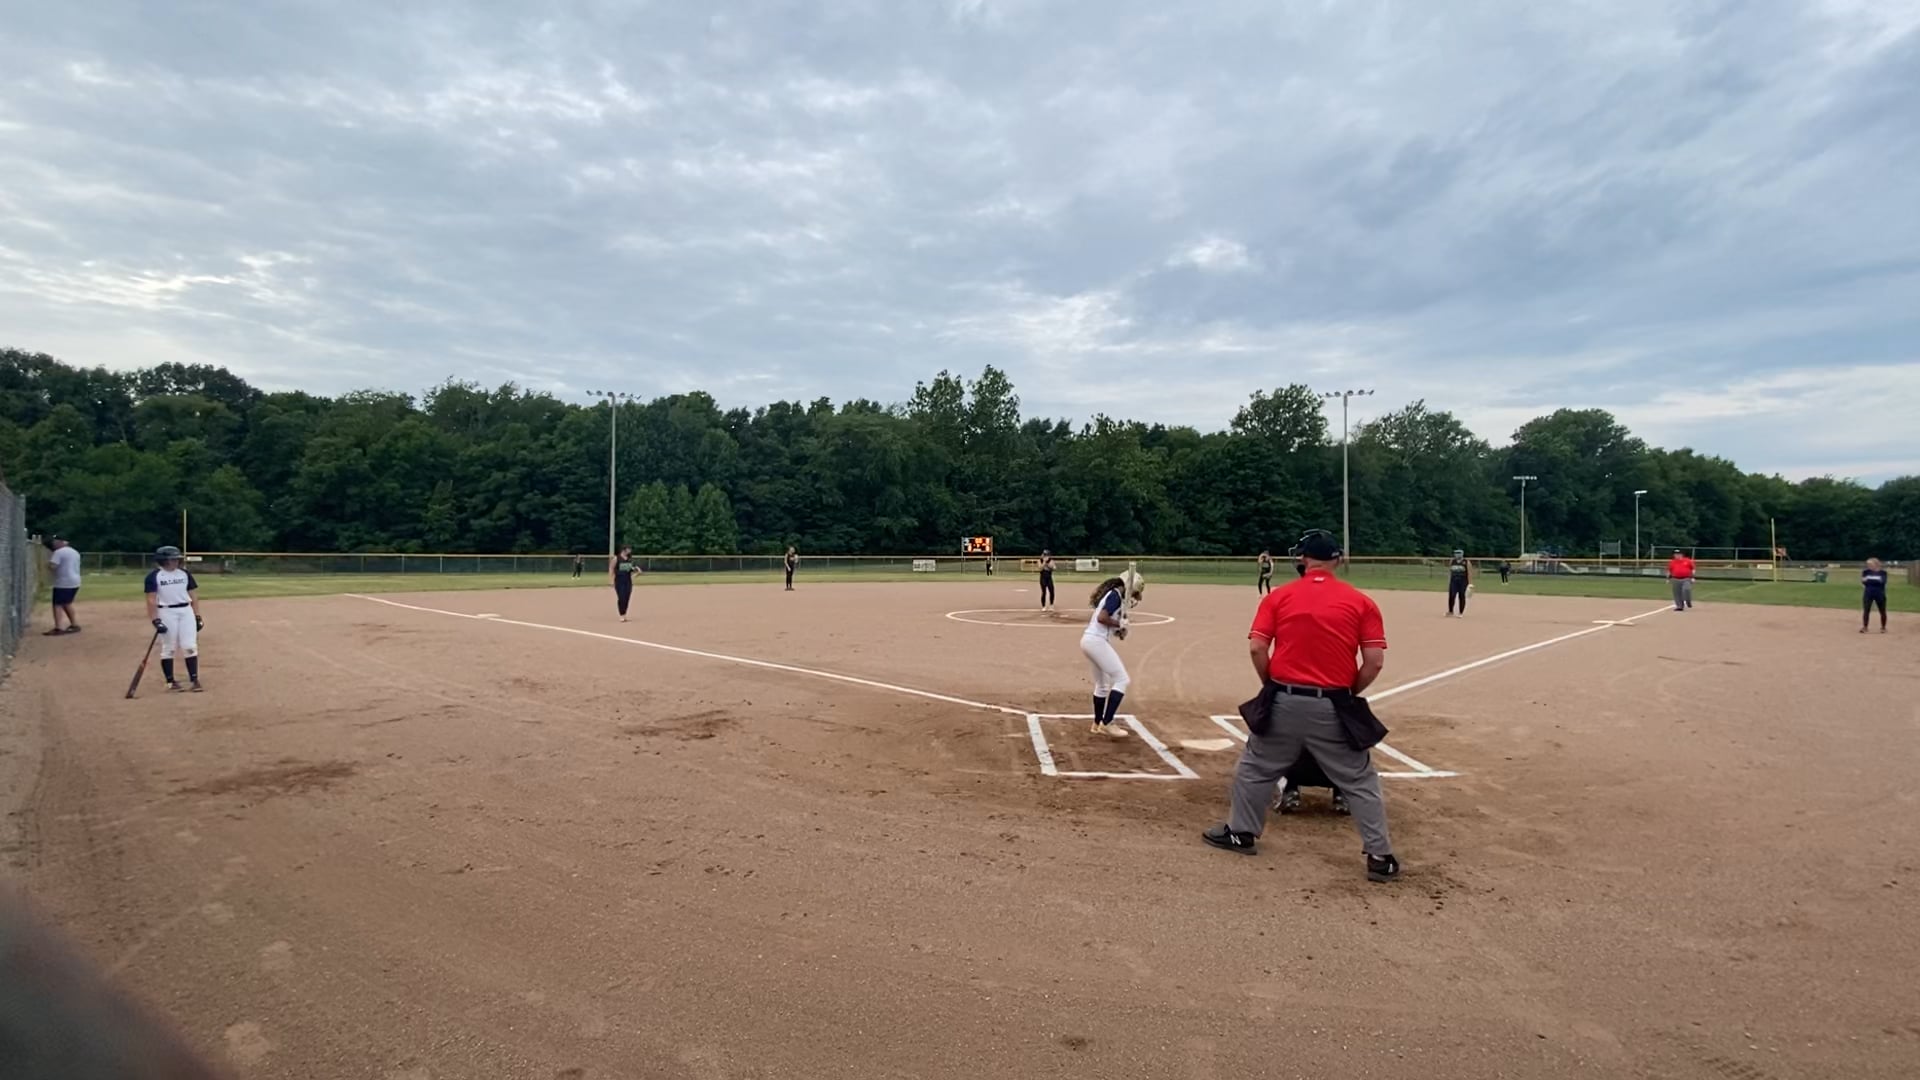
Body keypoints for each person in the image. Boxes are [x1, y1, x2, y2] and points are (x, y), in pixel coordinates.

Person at [1203, 528, 1399, 883]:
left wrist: (1271, 685)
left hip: (1284, 699)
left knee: (1255, 767)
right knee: (1359, 779)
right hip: (1333, 703)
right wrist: (1348, 692)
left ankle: (1241, 833)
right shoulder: (1361, 602)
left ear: (1303, 560)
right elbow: (1374, 662)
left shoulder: (1279, 596)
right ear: (1337, 560)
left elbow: (1257, 648)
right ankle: (1380, 857)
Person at [1080, 571, 1146, 736]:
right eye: (1134, 592)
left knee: (1102, 685)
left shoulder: (1115, 596)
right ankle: (1107, 722)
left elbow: (1108, 624)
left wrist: (1119, 630)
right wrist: (1119, 623)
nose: (1133, 597)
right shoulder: (1115, 596)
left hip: (1091, 640)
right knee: (1122, 679)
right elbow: (1102, 618)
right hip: (1096, 641)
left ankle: (1097, 724)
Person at [144, 546, 203, 692]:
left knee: (189, 645)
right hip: (166, 611)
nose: (176, 561)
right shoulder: (154, 576)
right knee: (169, 647)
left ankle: (194, 679)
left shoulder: (184, 574)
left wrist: (197, 615)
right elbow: (151, 599)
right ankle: (170, 681)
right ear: (163, 560)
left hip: (185, 611)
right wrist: (155, 620)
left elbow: (193, 595)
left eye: (177, 558)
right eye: (172, 559)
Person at [45, 535, 82, 635]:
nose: (54, 544)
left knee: (57, 604)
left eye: (56, 541)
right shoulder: (74, 552)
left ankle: (59, 628)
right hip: (75, 581)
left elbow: (53, 566)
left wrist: (47, 565)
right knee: (67, 603)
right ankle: (74, 624)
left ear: (62, 542)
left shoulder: (58, 552)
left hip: (63, 582)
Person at [1861, 557, 1889, 634]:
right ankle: (1865, 627)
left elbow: (1882, 582)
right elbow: (1864, 582)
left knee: (1882, 611)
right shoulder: (1865, 572)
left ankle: (1883, 627)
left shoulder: (1883, 573)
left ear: (1876, 564)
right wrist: (1876, 580)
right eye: (1868, 564)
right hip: (1868, 593)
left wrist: (1869, 580)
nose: (1868, 566)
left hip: (1879, 594)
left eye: (1870, 564)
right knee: (1866, 610)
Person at [611, 545, 638, 621]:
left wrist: (637, 572)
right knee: (621, 597)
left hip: (628, 580)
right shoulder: (616, 558)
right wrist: (611, 580)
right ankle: (621, 614)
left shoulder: (630, 559)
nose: (630, 551)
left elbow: (632, 570)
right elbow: (611, 568)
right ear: (624, 550)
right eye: (629, 549)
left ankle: (624, 614)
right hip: (619, 580)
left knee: (627, 598)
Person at [1445, 549, 1473, 617]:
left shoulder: (1466, 562)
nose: (1457, 554)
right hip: (1454, 581)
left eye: (1459, 553)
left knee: (1462, 596)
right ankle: (1450, 611)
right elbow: (1450, 572)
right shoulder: (1452, 561)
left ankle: (1461, 612)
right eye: (1456, 553)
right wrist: (1449, 581)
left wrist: (1470, 584)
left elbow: (1469, 573)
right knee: (1452, 596)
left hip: (1463, 581)